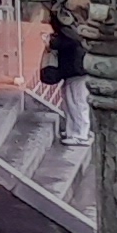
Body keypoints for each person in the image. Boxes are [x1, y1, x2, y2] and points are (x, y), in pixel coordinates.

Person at [40, 15, 88, 148]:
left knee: (76, 102)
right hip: (74, 69)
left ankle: (80, 135)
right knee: (70, 102)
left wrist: (52, 42)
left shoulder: (70, 30)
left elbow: (68, 42)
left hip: (76, 69)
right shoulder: (74, 26)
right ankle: (73, 131)